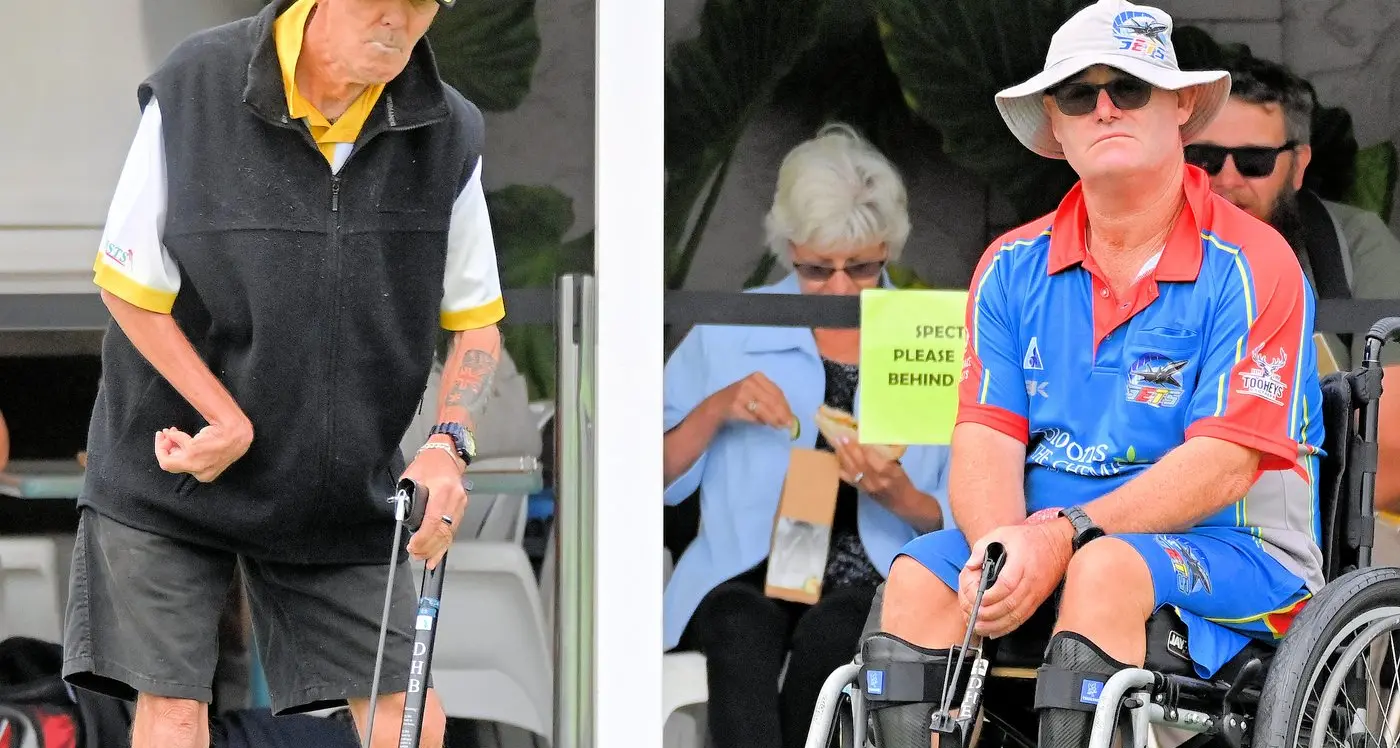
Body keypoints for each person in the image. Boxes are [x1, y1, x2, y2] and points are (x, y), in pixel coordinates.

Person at [863, 2, 1325, 746]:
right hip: (1049, 536)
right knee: (918, 578)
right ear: (1057, 120)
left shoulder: (1253, 262)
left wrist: (1067, 537)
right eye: (1081, 93)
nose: (1105, 107)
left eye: (1130, 87)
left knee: (1104, 568)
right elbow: (983, 438)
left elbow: (1225, 466)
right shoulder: (1010, 267)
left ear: (1179, 105)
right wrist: (1000, 548)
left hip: (1233, 548)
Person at [62, 1, 506, 747]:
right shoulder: (196, 86)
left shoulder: (447, 129)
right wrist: (222, 416)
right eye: (381, 0)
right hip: (175, 462)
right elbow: (127, 284)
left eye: (422, 2)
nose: (399, 21)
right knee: (172, 713)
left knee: (410, 720)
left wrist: (448, 444)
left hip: (338, 478)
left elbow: (476, 321)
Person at [662, 124, 952, 748]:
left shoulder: (926, 335)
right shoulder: (734, 328)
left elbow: (976, 518)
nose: (841, 289)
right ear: (787, 248)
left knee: (842, 633)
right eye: (817, 271)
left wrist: (902, 497)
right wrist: (714, 409)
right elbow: (644, 478)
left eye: (865, 268)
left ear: (889, 250)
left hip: (874, 574)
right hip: (747, 568)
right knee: (738, 623)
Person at [1187, 54, 1400, 512]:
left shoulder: (1350, 245)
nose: (1226, 180)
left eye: (1254, 160)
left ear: (1298, 163)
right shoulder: (1129, 256)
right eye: (1202, 159)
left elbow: (1395, 441)